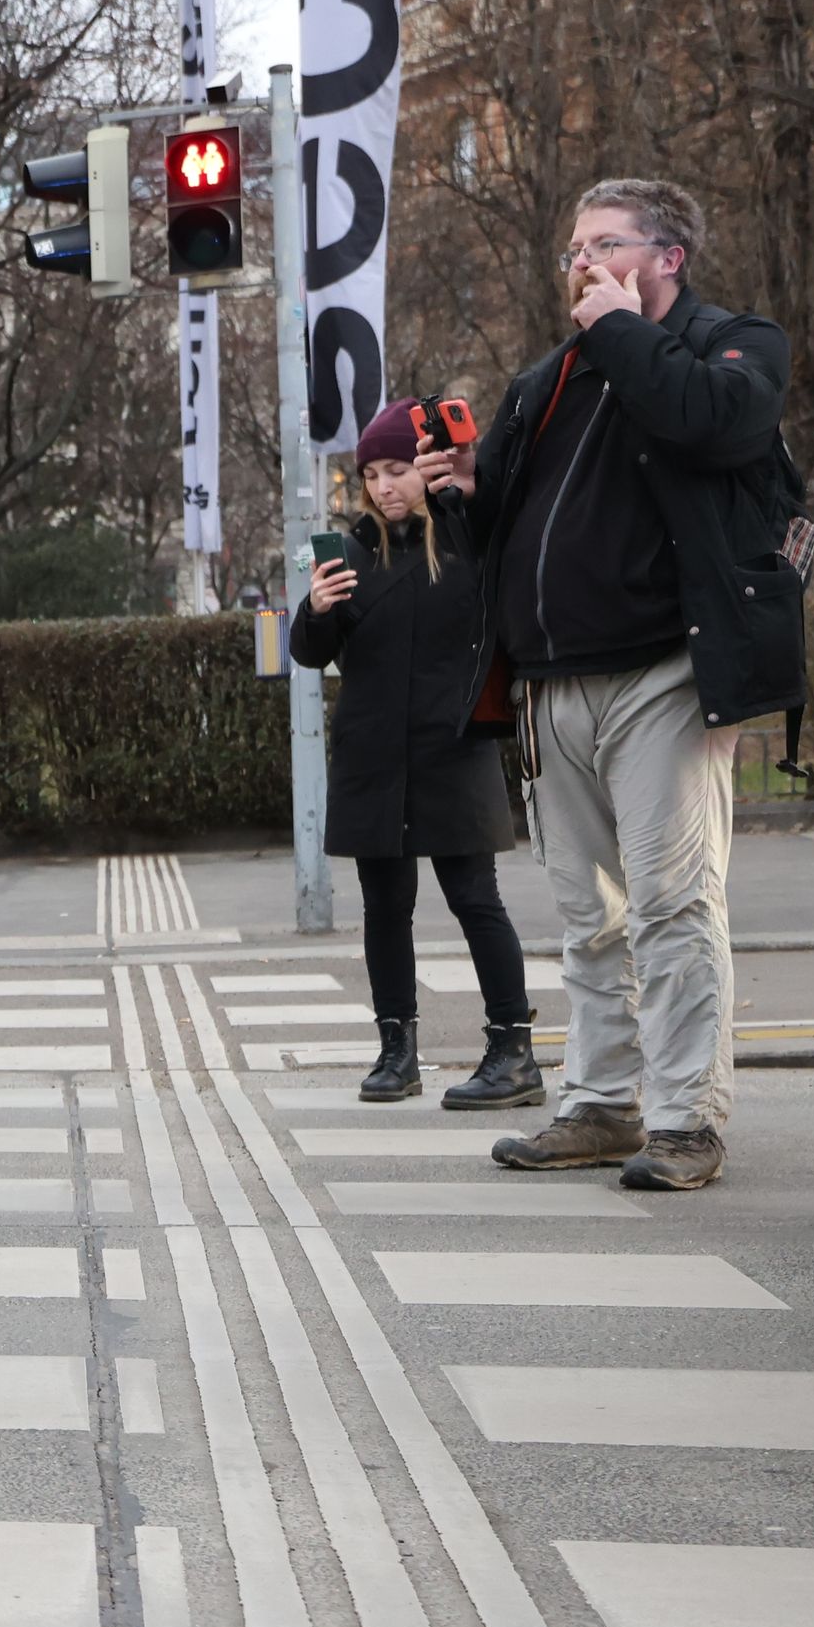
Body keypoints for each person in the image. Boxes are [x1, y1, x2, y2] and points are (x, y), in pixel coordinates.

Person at [451, 177, 802, 1192]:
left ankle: (685, 1118)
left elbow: (715, 423)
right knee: (588, 916)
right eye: (573, 250)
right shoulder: (548, 379)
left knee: (671, 902)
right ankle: (599, 1105)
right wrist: (466, 491)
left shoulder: (730, 344)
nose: (581, 263)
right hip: (553, 682)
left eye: (605, 245)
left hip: (664, 670)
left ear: (666, 257)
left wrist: (618, 330)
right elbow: (504, 529)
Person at [296, 400, 544, 1110]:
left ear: (423, 466)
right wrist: (315, 609)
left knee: (475, 898)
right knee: (384, 906)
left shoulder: (467, 535)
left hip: (452, 745)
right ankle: (396, 1050)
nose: (383, 486)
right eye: (371, 472)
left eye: (397, 469)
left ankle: (511, 1048)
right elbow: (312, 654)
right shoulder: (352, 551)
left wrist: (459, 486)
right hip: (373, 751)